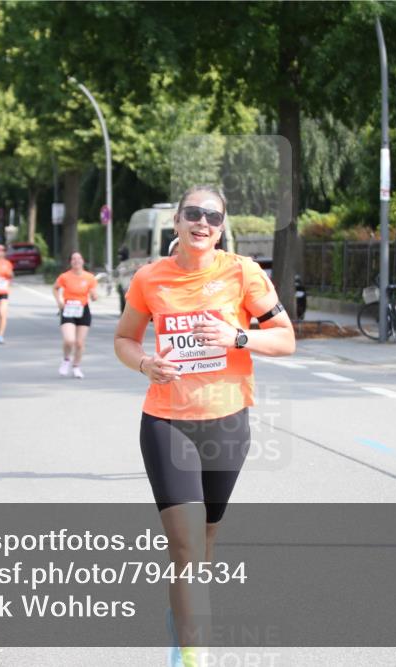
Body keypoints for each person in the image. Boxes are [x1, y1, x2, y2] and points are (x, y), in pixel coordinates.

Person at [113, 185, 295, 667]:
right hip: (166, 423)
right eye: (193, 213)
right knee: (186, 545)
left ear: (221, 228)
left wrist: (238, 337)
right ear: (177, 221)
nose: (202, 222)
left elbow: (286, 340)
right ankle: (192, 655)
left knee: (205, 541)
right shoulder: (150, 278)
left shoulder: (243, 273)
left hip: (227, 424)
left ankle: (184, 619)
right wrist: (144, 364)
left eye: (212, 217)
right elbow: (124, 338)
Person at [52, 252, 98, 379]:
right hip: (68, 310)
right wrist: (59, 301)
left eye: (79, 258)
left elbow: (93, 292)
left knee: (79, 343)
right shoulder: (65, 277)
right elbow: (55, 288)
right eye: (73, 259)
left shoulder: (89, 277)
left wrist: (94, 296)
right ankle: (66, 359)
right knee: (69, 340)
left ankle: (76, 366)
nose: (76, 261)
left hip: (83, 310)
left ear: (83, 261)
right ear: (70, 262)